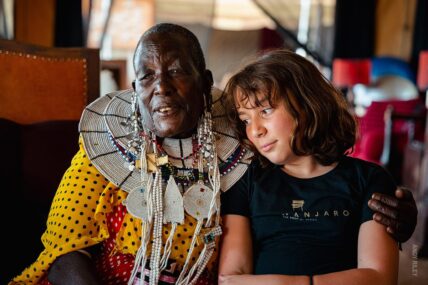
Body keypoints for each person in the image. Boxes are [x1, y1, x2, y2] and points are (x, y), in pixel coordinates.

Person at [9, 24, 416, 285]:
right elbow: (64, 254)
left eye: (176, 72)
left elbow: (313, 174)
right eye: (147, 76)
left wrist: (398, 209)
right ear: (135, 89)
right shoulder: (104, 152)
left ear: (204, 84)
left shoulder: (242, 154)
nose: (161, 88)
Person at [219, 48, 402, 285]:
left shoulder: (370, 179)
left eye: (265, 111)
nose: (255, 130)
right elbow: (231, 280)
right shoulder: (246, 180)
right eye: (246, 119)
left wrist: (297, 283)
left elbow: (380, 277)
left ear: (306, 103)